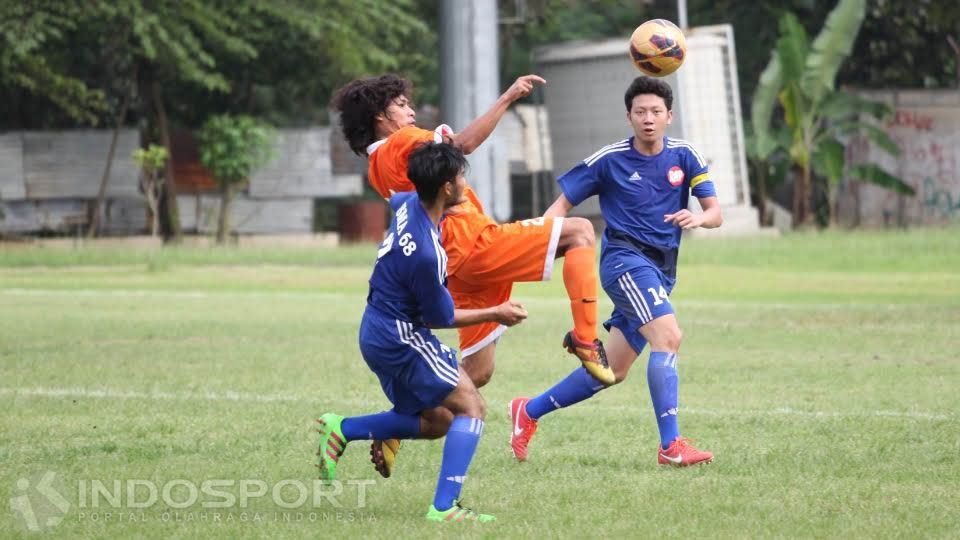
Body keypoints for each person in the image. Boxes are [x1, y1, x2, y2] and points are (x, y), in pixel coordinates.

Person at [332, 74, 615, 477]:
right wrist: (508, 97)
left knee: (477, 372)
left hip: (455, 261)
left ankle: (397, 424)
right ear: (381, 116)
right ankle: (586, 341)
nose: (410, 109)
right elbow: (459, 147)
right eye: (400, 103)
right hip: (474, 245)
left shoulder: (377, 165)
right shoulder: (404, 141)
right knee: (581, 231)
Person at [509, 76, 722, 467]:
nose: (648, 119)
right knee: (669, 337)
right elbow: (558, 209)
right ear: (629, 116)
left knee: (611, 371)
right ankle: (670, 446)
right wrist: (528, 245)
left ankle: (528, 411)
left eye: (656, 111)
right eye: (640, 111)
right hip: (624, 261)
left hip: (660, 271)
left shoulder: (685, 155)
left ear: (669, 116)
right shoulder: (609, 159)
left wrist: (698, 217)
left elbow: (715, 213)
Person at [316, 143, 527, 522]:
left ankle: (342, 429)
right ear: (446, 188)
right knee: (472, 406)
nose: (465, 182)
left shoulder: (407, 202)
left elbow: (398, 200)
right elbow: (440, 317)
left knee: (438, 422)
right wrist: (497, 311)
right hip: (401, 337)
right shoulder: (428, 255)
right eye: (460, 176)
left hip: (375, 329)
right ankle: (444, 509)